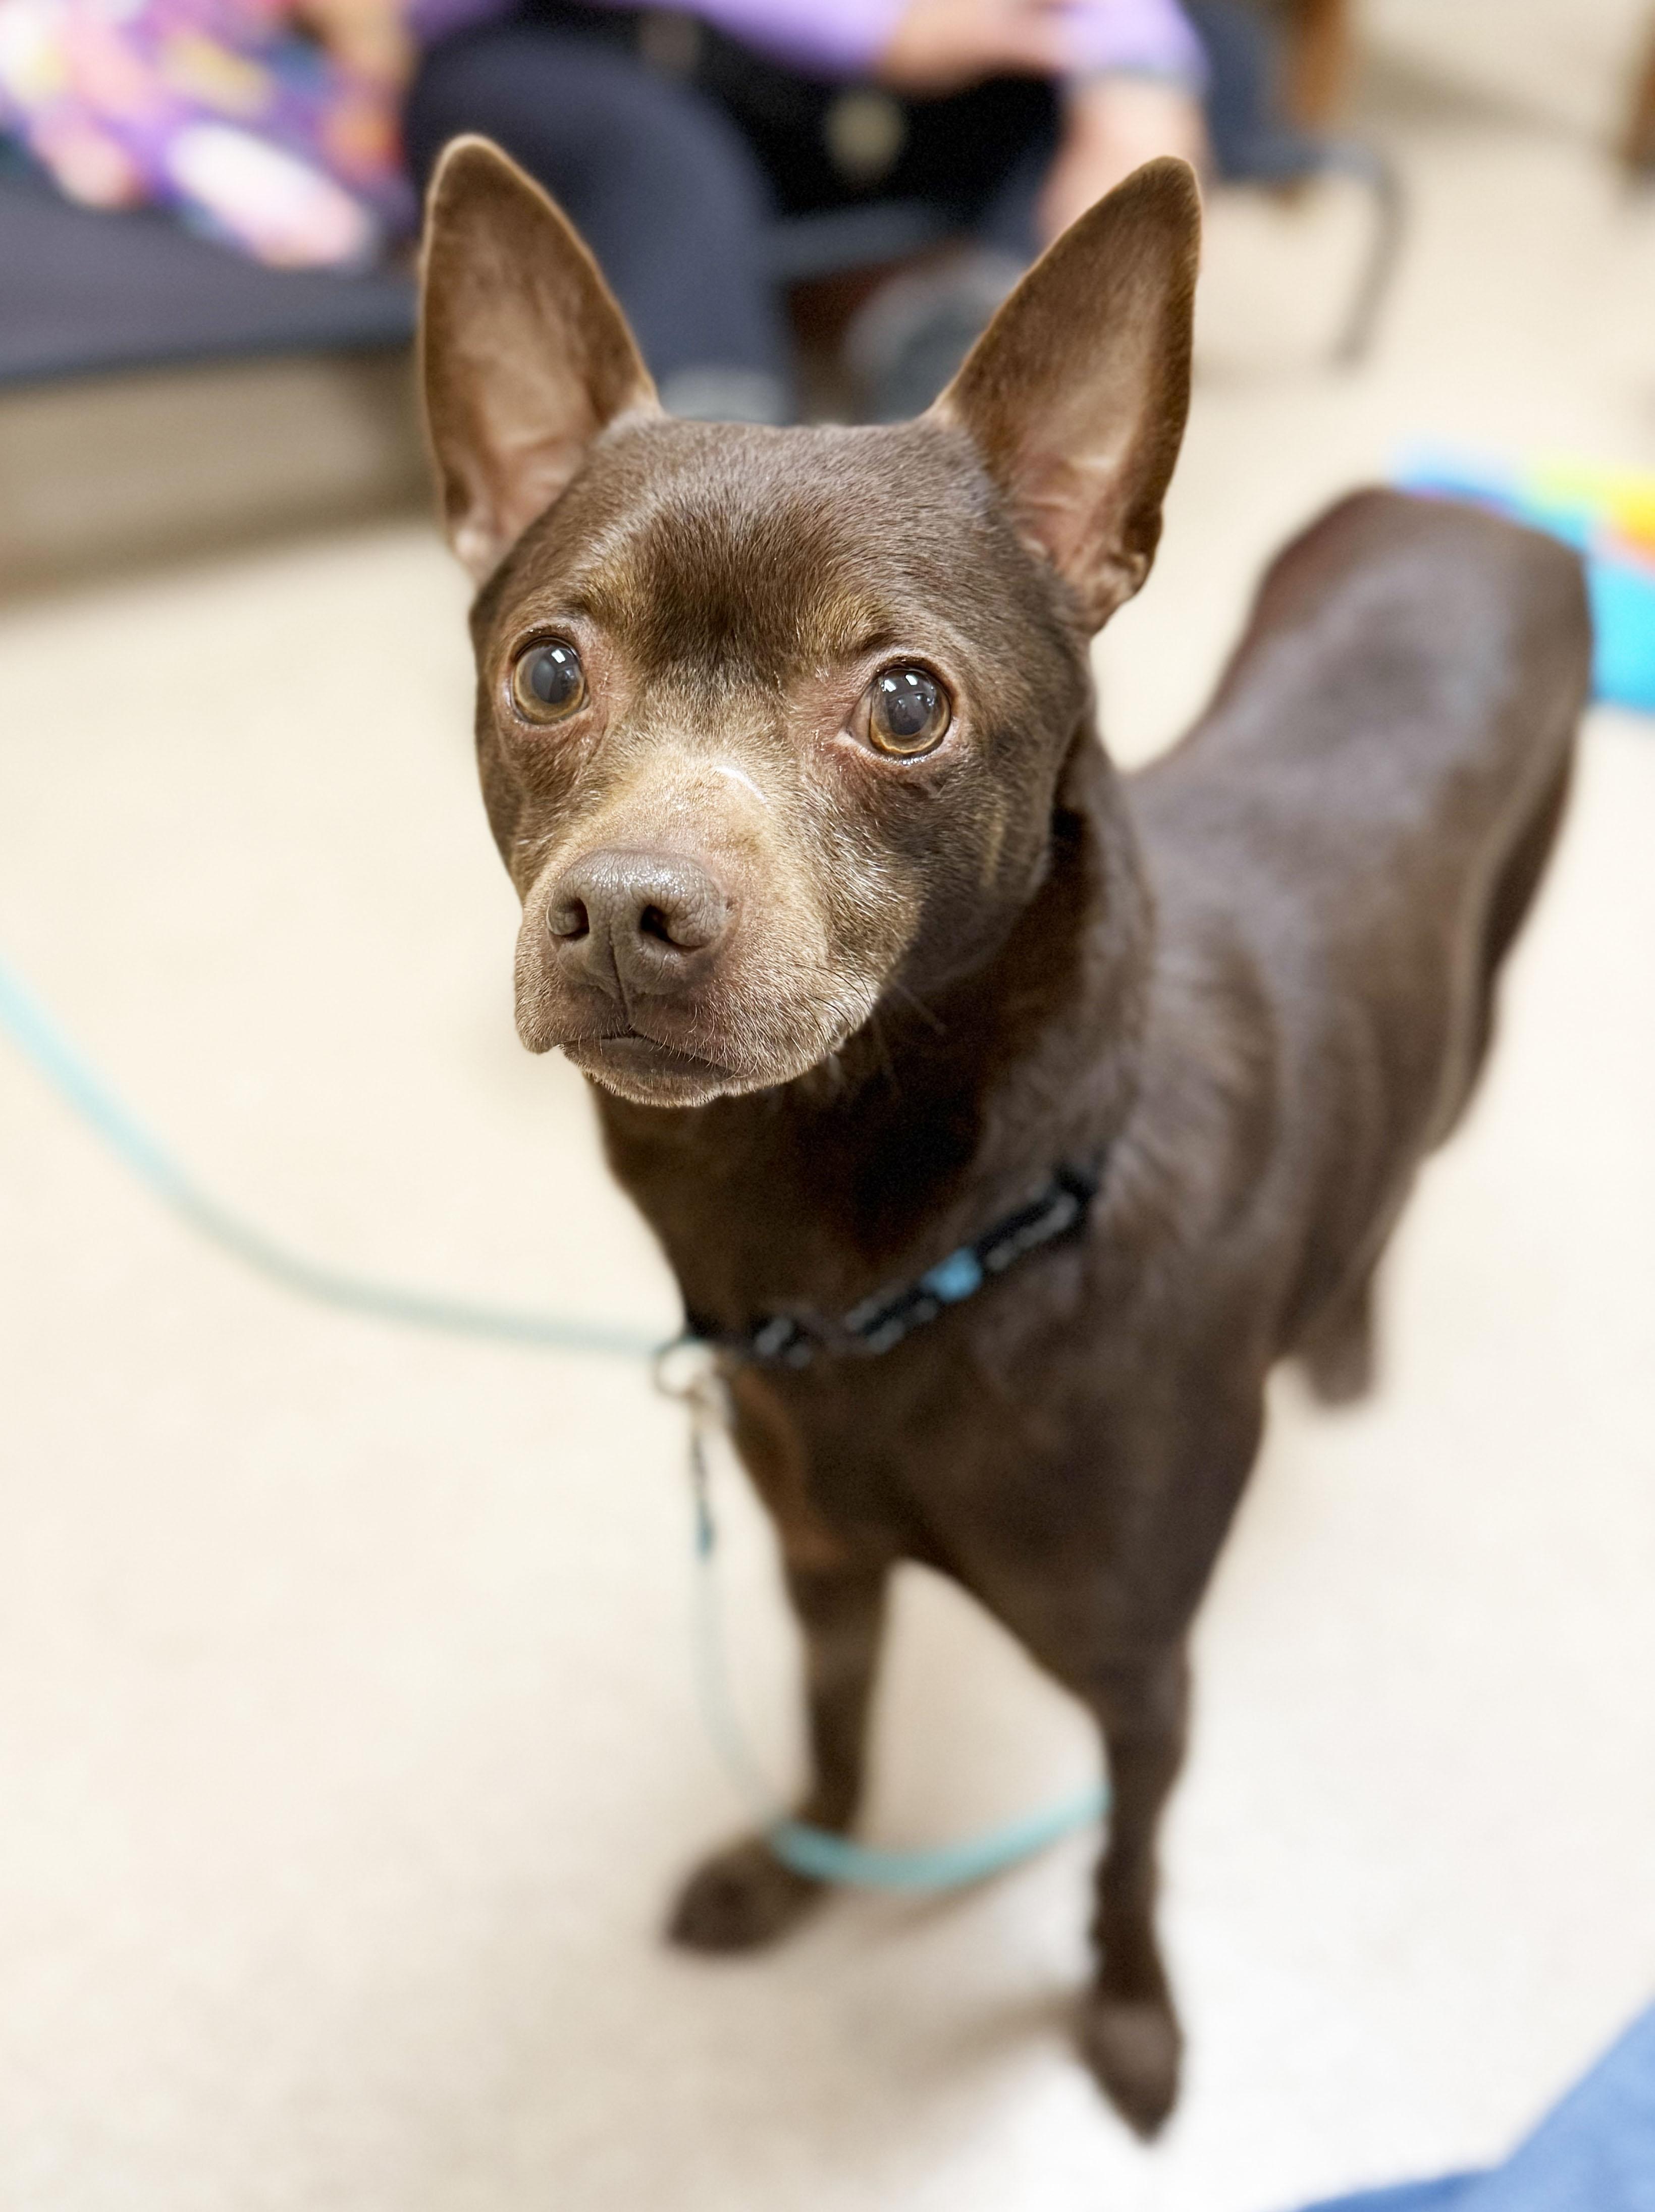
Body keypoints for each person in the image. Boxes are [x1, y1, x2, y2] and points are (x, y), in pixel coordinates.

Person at [394, 0, 1210, 421]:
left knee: (1170, 73)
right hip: (557, 51)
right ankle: (708, 444)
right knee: (671, 166)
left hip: (818, 83)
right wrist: (874, 29)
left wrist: (1133, 71)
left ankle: (961, 339)